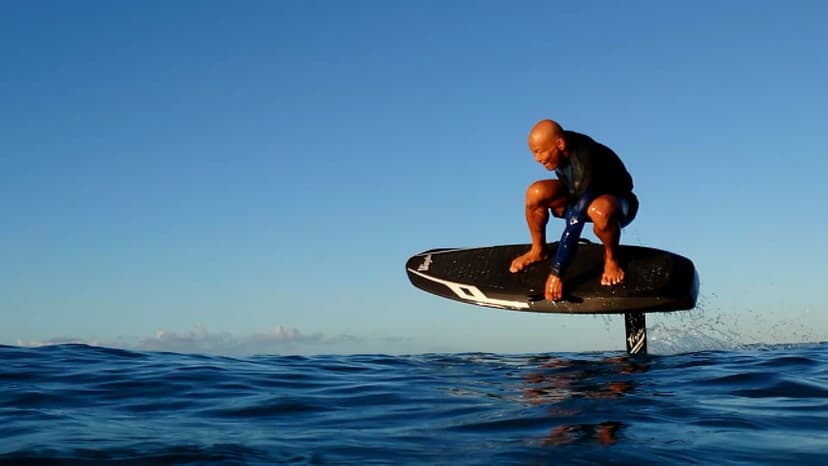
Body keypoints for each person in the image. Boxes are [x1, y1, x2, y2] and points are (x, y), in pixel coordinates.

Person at [509, 119, 638, 302]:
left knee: (599, 211)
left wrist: (556, 273)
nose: (537, 159)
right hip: (577, 195)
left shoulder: (585, 161)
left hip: (618, 203)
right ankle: (538, 250)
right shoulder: (561, 147)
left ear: (559, 144)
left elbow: (574, 224)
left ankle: (611, 260)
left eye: (539, 152)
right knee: (535, 193)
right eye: (533, 153)